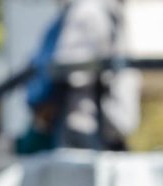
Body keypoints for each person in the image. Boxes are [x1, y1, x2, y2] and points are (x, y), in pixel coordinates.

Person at [19, 0, 139, 153]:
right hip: (92, 125)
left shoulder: (88, 11)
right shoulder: (98, 11)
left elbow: (66, 72)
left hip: (85, 124)